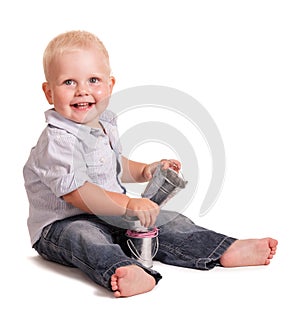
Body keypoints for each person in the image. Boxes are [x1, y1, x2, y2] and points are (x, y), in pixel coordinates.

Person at [23, 30, 278, 298]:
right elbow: (80, 193)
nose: (82, 90)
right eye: (69, 82)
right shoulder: (57, 139)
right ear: (49, 92)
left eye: (93, 80)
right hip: (63, 224)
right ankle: (124, 269)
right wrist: (128, 205)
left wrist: (144, 170)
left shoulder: (103, 125)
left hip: (111, 213)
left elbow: (110, 164)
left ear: (110, 85)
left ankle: (221, 248)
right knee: (86, 238)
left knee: (168, 221)